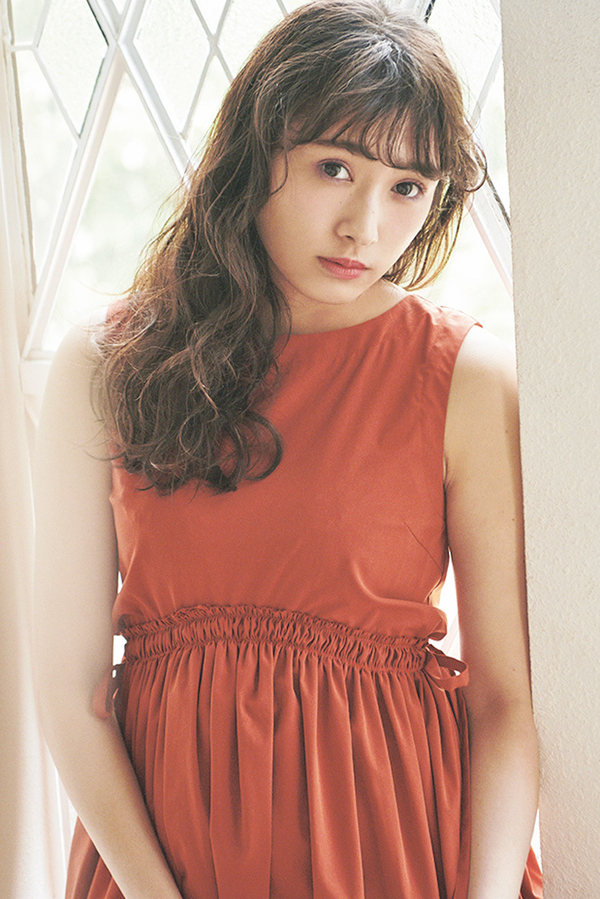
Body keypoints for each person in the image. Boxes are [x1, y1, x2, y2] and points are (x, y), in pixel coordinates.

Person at [33, 1, 544, 897]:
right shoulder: (107, 365)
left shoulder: (464, 378)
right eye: (333, 167)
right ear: (253, 153)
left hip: (394, 849)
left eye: (407, 187)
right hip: (158, 859)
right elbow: (71, 694)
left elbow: (505, 705)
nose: (365, 227)